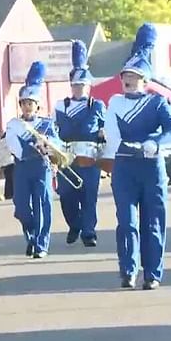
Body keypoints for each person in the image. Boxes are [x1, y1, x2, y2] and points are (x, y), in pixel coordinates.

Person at [103, 23, 171, 289]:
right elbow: (112, 134)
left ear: (145, 81)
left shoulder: (157, 103)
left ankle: (153, 273)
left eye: (135, 75)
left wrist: (155, 142)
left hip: (151, 168)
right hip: (125, 167)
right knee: (126, 222)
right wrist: (127, 146)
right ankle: (128, 269)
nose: (128, 78)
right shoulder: (114, 102)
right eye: (126, 74)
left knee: (153, 222)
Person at [53, 40, 106, 247]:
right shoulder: (60, 106)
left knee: (89, 194)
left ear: (89, 86)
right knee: (66, 195)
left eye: (82, 85)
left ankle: (88, 231)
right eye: (75, 85)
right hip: (66, 157)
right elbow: (53, 131)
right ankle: (74, 224)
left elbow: (105, 132)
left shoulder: (98, 105)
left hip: (90, 158)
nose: (79, 89)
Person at [4, 62, 59, 259]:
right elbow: (13, 146)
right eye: (24, 103)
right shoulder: (14, 124)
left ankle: (40, 243)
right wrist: (30, 148)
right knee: (21, 207)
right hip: (22, 168)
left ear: (37, 105)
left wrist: (48, 145)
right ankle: (31, 235)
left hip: (41, 167)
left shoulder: (46, 124)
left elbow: (57, 143)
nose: (27, 107)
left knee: (42, 203)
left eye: (30, 103)